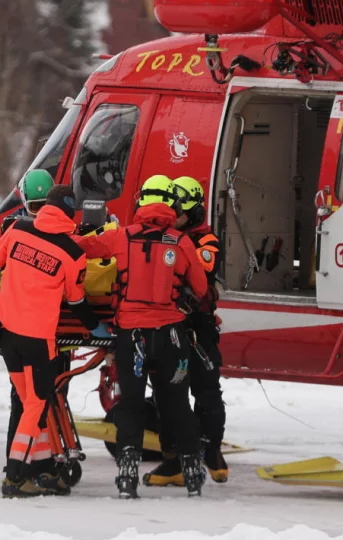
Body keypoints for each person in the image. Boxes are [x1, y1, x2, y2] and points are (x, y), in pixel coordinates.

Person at [76, 174, 208, 499]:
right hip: (171, 337)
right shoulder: (182, 242)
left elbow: (79, 249)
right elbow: (202, 289)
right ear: (172, 205)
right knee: (177, 404)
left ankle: (127, 476)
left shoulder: (119, 237)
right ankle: (191, 472)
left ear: (141, 202)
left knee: (131, 405)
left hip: (131, 336)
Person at [0, 185, 110, 498]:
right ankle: (14, 478)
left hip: (6, 330)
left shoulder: (17, 229)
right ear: (71, 214)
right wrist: (96, 327)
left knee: (29, 405)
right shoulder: (73, 253)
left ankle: (42, 469)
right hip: (37, 338)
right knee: (37, 405)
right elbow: (77, 300)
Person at [143, 176, 229, 487]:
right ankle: (173, 458)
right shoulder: (159, 237)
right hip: (167, 326)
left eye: (179, 209)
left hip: (198, 327)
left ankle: (211, 450)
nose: (174, 214)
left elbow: (198, 278)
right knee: (167, 393)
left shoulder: (205, 242)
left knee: (206, 390)